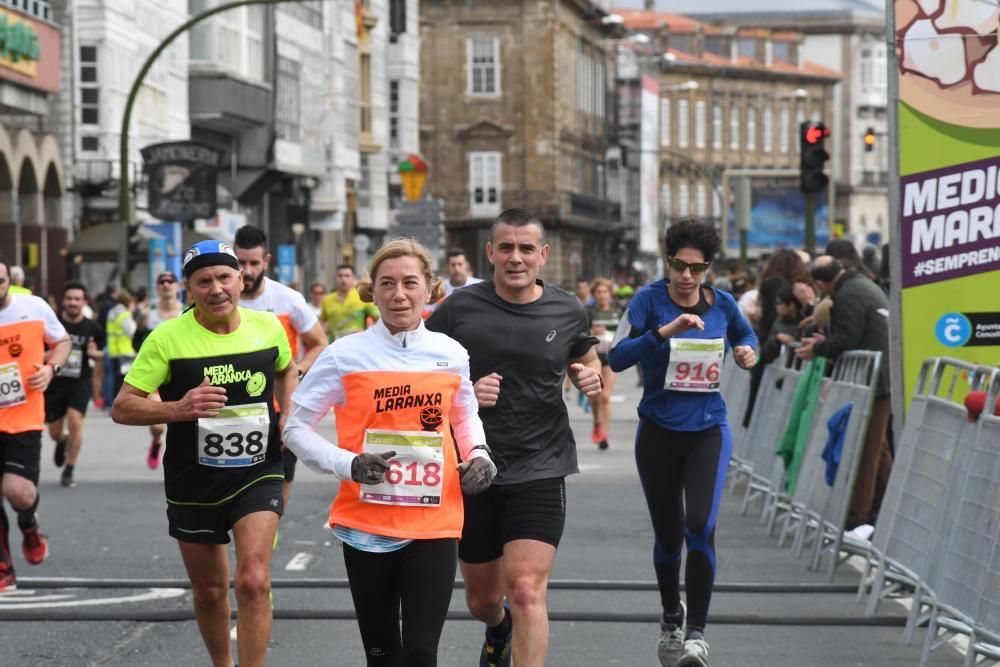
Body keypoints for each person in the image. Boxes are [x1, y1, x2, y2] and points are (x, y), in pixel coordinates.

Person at [283, 238, 496, 666]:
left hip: (434, 521)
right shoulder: (345, 355)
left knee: (420, 653)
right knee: (382, 655)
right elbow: (294, 428)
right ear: (373, 290)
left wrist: (481, 453)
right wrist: (349, 464)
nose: (399, 294)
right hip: (366, 522)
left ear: (430, 289)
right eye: (388, 283)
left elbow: (465, 416)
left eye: (410, 283)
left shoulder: (450, 354)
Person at [426, 207, 602, 667]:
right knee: (483, 601)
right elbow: (421, 374)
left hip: (541, 466)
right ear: (491, 253)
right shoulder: (459, 309)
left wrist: (590, 377)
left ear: (543, 255)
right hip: (473, 471)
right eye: (506, 247)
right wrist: (464, 391)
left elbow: (587, 357)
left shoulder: (567, 309)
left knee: (525, 589)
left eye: (526, 248)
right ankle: (497, 630)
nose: (516, 257)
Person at [111, 241, 297, 667]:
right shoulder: (166, 339)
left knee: (252, 579)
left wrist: (290, 412)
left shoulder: (267, 327)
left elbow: (287, 368)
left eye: (225, 277)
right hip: (192, 478)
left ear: (241, 279)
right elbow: (123, 406)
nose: (217, 289)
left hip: (258, 468)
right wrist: (178, 408)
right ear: (189, 290)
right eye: (204, 281)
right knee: (210, 591)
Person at [608, 219, 757, 667]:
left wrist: (749, 352)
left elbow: (746, 336)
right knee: (670, 539)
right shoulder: (648, 300)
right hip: (657, 431)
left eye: (697, 267)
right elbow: (615, 357)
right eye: (678, 265)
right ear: (667, 260)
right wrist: (663, 332)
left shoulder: (723, 304)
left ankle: (696, 636)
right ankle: (672, 615)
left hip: (707, 430)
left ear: (708, 267)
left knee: (700, 527)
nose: (687, 276)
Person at [796, 256, 892, 534]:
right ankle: (887, 508)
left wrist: (818, 348)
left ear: (820, 283)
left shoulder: (849, 294)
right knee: (879, 447)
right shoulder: (860, 284)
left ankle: (857, 516)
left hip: (874, 379)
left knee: (866, 449)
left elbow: (846, 339)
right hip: (879, 376)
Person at [235, 225, 328, 510]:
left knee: (279, 482)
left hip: (280, 405)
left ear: (267, 261)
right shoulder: (222, 298)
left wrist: (297, 370)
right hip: (234, 405)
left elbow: (319, 343)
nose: (248, 271)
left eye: (254, 263)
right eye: (241, 263)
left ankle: (265, 536)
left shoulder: (287, 299)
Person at [0, 258, 71, 592]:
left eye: (0, 282)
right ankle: (4, 569)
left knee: (19, 491)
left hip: (23, 417)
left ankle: (29, 524)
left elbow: (62, 342)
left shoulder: (33, 307)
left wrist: (51, 368)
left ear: (8, 281)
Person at [45, 281, 105, 488]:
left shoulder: (92, 327)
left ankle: (69, 469)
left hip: (80, 381)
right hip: (54, 382)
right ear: (63, 301)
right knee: (54, 432)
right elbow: (38, 352)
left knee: (75, 419)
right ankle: (62, 441)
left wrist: (93, 354)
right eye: (69, 298)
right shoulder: (52, 325)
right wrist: (54, 353)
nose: (72, 303)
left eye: (77, 299)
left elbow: (101, 354)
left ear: (84, 302)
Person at [137, 271, 184, 470]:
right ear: (157, 287)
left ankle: (181, 462)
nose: (166, 285)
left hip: (181, 375)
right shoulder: (148, 315)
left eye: (170, 281)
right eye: (162, 282)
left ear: (178, 286)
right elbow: (137, 343)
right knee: (158, 424)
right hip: (156, 377)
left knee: (184, 424)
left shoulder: (187, 313)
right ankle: (157, 441)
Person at [586, 277, 622, 450]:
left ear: (610, 294)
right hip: (593, 358)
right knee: (595, 397)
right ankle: (597, 423)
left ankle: (604, 436)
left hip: (611, 358)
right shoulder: (588, 312)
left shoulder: (618, 311)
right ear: (594, 294)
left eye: (605, 292)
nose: (602, 295)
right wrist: (593, 331)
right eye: (598, 292)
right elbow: (580, 333)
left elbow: (624, 333)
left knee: (605, 396)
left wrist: (610, 333)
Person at [320, 264, 379, 341]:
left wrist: (367, 333)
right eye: (340, 276)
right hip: (335, 346)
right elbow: (321, 325)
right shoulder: (327, 299)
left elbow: (378, 319)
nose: (343, 279)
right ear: (335, 278)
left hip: (357, 345)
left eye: (347, 276)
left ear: (353, 278)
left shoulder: (362, 296)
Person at [106, 289, 137, 399]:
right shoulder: (124, 314)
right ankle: (119, 402)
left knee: (115, 379)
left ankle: (112, 403)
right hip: (124, 351)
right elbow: (132, 331)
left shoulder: (112, 312)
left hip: (114, 350)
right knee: (123, 380)